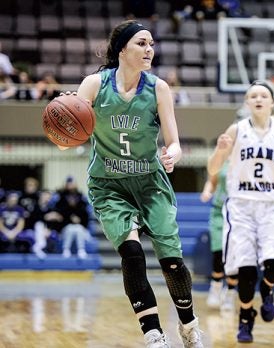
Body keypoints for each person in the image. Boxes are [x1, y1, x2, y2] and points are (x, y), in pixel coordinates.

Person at [71, 19, 203, 347]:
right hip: (109, 184)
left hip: (150, 184)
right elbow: (67, 141)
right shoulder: (93, 84)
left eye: (152, 44)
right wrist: (65, 122)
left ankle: (188, 325)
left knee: (172, 263)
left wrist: (172, 154)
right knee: (132, 255)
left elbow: (174, 142)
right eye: (142, 43)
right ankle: (154, 334)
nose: (149, 50)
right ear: (122, 50)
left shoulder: (158, 88)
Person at [207, 80, 274, 343]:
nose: (258, 99)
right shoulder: (236, 130)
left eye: (264, 95)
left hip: (271, 205)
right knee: (246, 269)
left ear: (272, 102)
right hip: (241, 206)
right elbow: (212, 169)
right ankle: (245, 318)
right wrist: (219, 151)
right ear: (247, 102)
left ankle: (268, 288)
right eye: (253, 96)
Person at [200, 162, 237, 312]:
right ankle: (215, 288)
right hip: (218, 211)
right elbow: (212, 181)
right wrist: (207, 191)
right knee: (218, 252)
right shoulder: (220, 160)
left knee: (234, 255)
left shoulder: (246, 157)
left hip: (238, 212)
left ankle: (230, 293)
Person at [54, 176, 90, 259]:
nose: (70, 185)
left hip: (80, 225)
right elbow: (59, 213)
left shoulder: (80, 197)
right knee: (70, 229)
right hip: (65, 226)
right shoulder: (61, 196)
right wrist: (70, 216)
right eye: (68, 184)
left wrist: (78, 219)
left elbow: (85, 214)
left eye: (72, 183)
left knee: (78, 228)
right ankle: (66, 249)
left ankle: (81, 250)